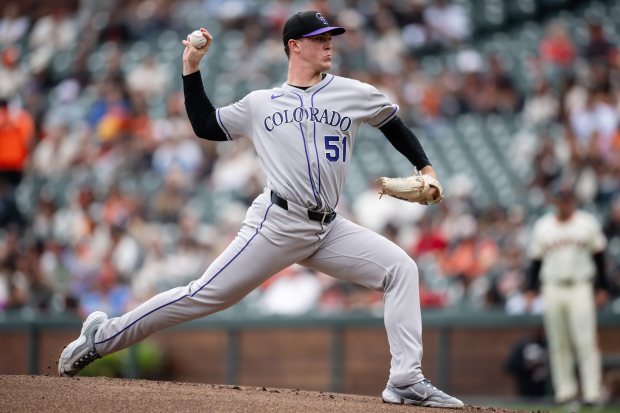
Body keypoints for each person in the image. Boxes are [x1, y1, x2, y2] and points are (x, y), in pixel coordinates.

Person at [58, 11, 463, 408]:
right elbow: (205, 124)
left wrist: (425, 168)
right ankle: (102, 337)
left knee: (401, 269)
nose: (329, 44)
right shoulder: (260, 104)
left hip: (328, 228)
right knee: (202, 296)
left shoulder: (353, 93)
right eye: (320, 38)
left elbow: (393, 122)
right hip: (277, 223)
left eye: (330, 37)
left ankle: (406, 380)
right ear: (294, 46)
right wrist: (191, 68)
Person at [525, 187, 609, 407]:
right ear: (554, 202)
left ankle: (592, 393)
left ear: (571, 201)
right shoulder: (543, 226)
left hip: (580, 286)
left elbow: (599, 257)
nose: (563, 204)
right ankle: (565, 392)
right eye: (559, 200)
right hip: (552, 287)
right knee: (557, 341)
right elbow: (535, 261)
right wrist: (531, 289)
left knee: (585, 341)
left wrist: (602, 288)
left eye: (566, 200)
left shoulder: (587, 223)